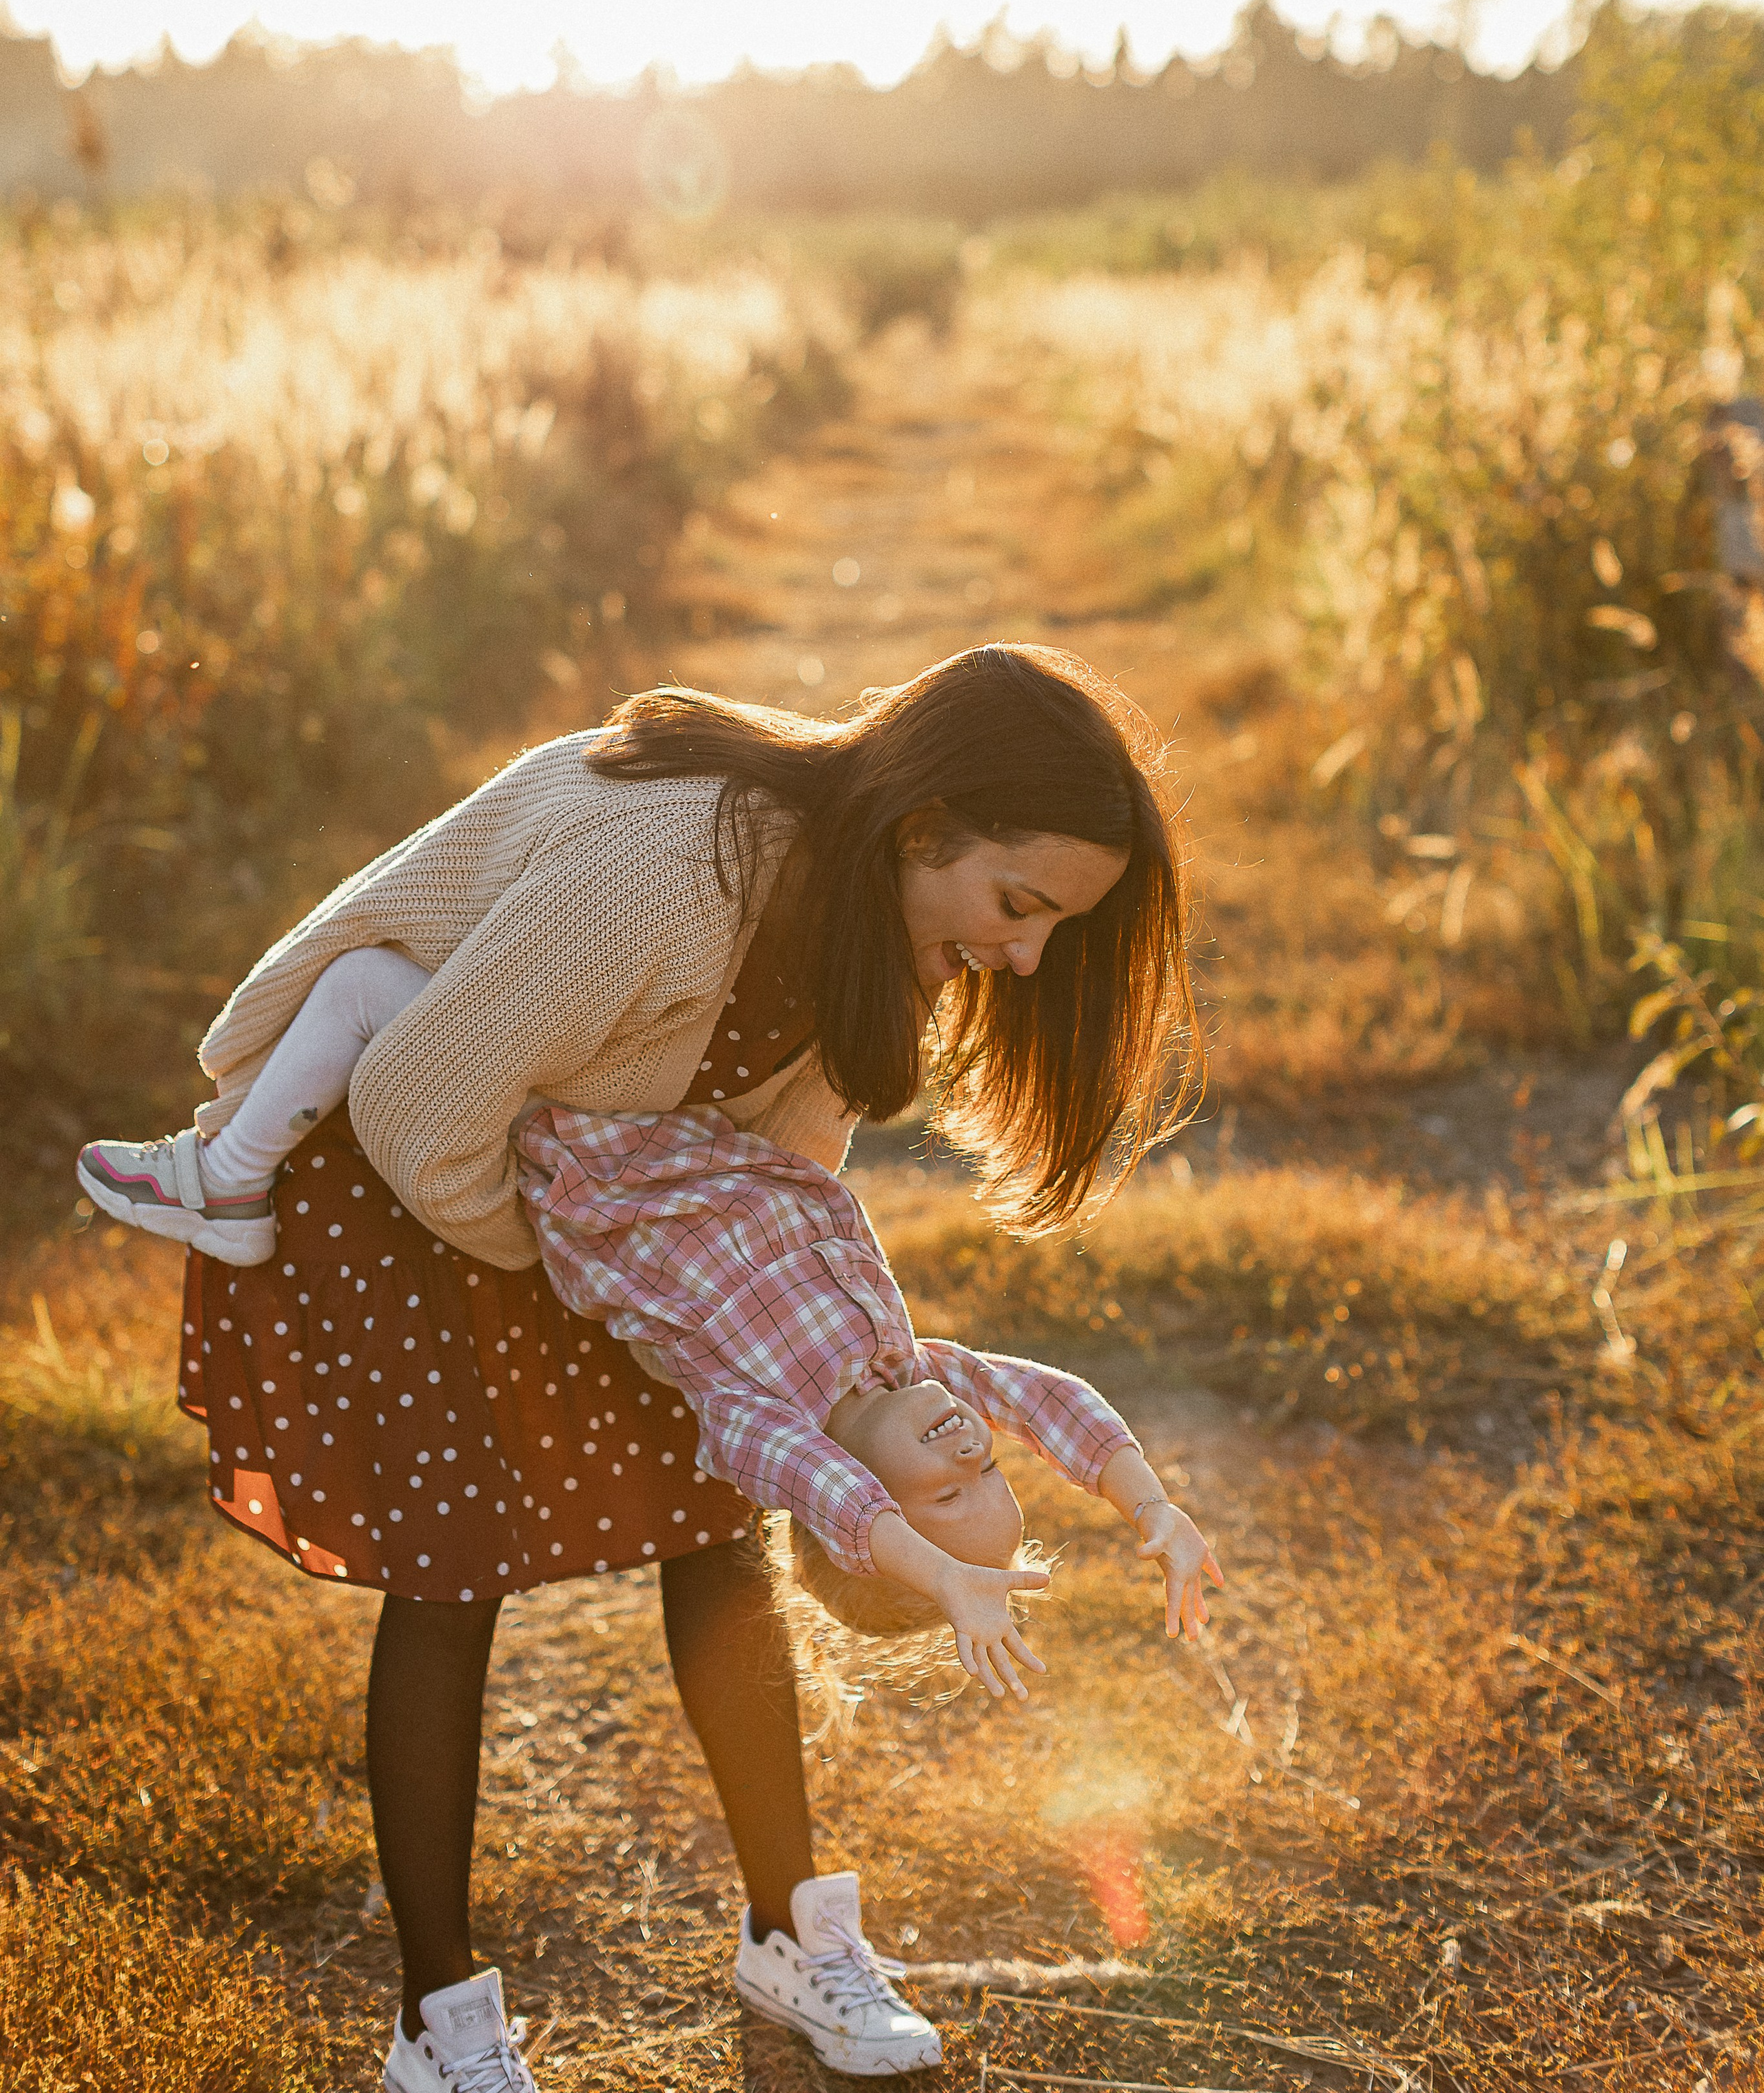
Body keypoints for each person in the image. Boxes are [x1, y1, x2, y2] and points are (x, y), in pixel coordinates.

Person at [76, 645, 1200, 2090]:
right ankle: (440, 2022)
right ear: (927, 827)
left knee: (716, 1532)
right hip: (420, 1163)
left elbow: (781, 1148)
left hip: (596, 1198)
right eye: (1020, 907)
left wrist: (735, 1333)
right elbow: (421, 1106)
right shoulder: (668, 874)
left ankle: (789, 1932)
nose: (1027, 956)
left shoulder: (880, 918)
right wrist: (611, 1284)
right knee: (449, 1573)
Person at [520, 1103, 1222, 1695]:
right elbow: (1046, 1402)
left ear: (864, 1503)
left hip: (588, 1152)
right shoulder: (911, 1373)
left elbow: (842, 1504)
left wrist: (944, 1579)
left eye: (948, 1496)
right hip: (699, 1119)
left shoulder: (762, 1423)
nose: (973, 1450)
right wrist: (1149, 1504)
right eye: (990, 1472)